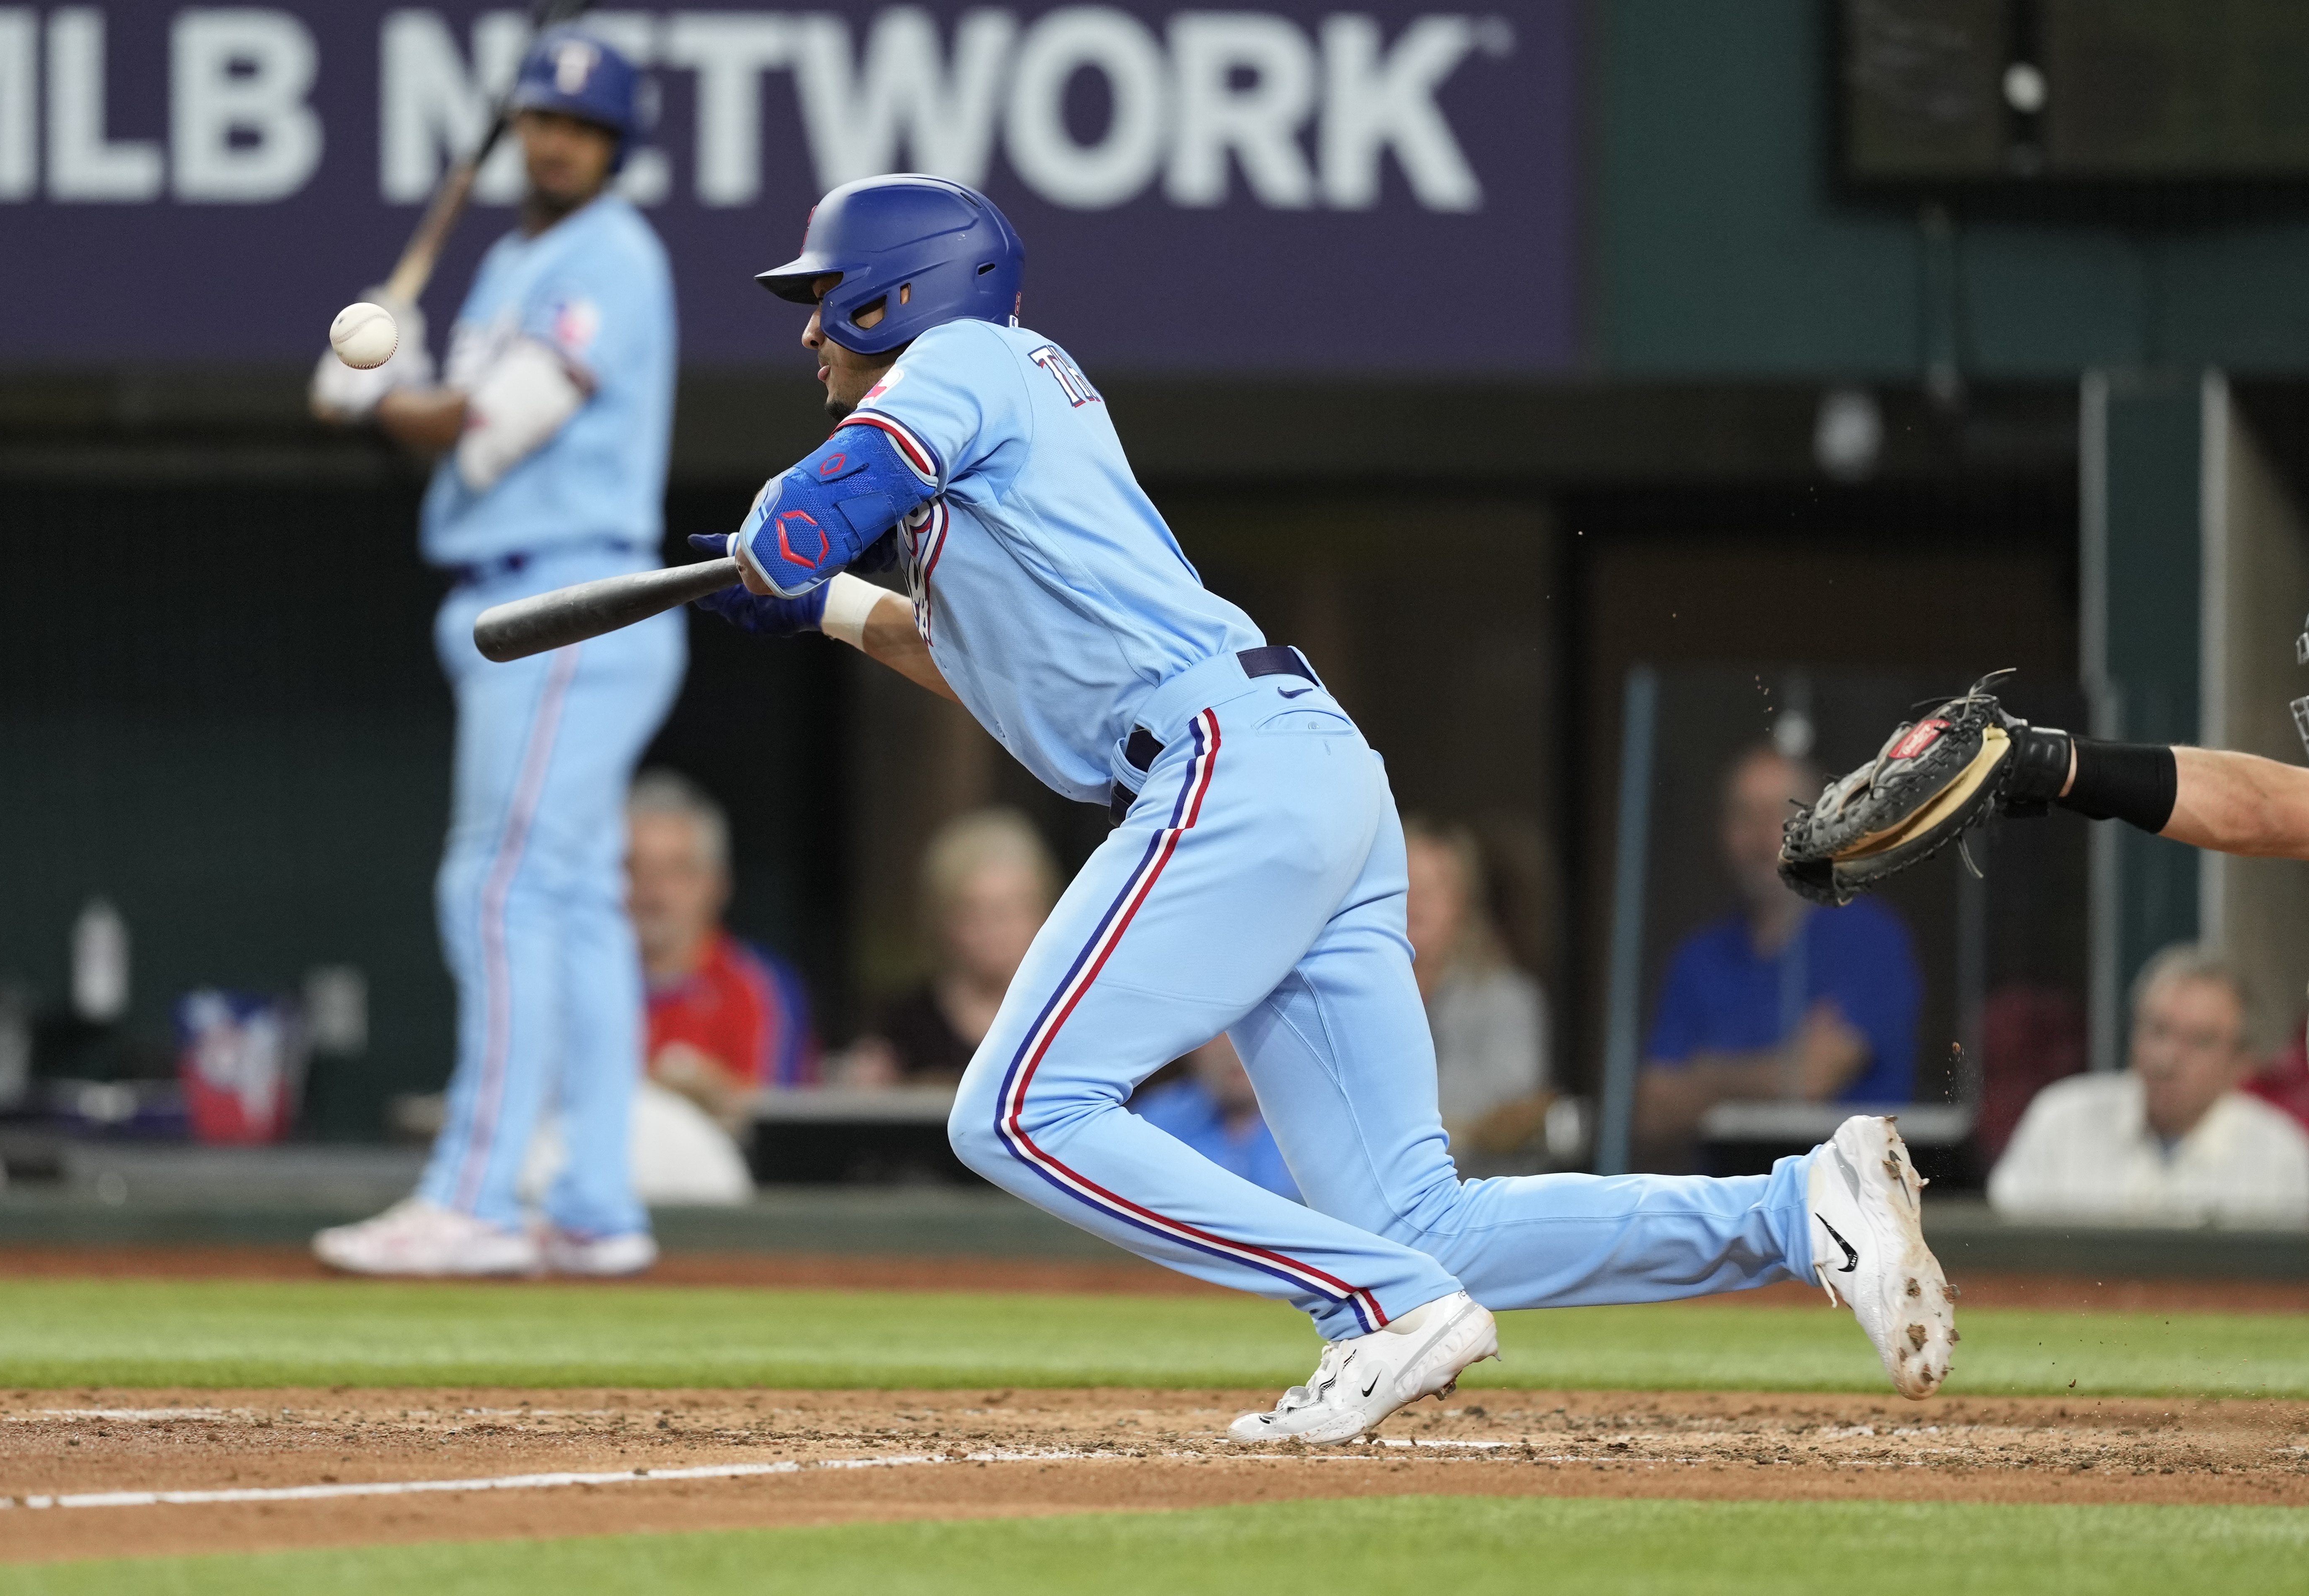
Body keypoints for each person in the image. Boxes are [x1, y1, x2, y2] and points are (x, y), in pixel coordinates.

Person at [694, 174, 1956, 1443]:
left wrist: (776, 540)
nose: (808, 332)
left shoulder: (963, 357)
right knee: (1417, 1217)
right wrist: (826, 605)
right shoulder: (984, 441)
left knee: (1017, 1110)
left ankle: (1379, 1307)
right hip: (1292, 766)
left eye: (825, 301)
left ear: (896, 293)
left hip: (1224, 768)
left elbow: (816, 504)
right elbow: (967, 651)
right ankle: (1801, 1209)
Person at [309, 30, 680, 1277]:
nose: (558, 138)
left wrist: (373, 398)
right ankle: (589, 1202)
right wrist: (394, 377)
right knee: (569, 902)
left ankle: (474, 1191)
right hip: (528, 602)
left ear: (616, 144)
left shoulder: (610, 254)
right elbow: (453, 410)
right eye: (541, 118)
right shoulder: (513, 263)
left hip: (566, 595)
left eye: (582, 124)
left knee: (503, 884)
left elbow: (497, 423)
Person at [1636, 743, 1923, 1170]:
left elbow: (1810, 1079)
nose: (1760, 835)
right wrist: (1780, 1065)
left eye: (1779, 814)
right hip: (1727, 1212)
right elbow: (1649, 1114)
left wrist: (1703, 1074)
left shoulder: (1869, 938)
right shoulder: (1698, 958)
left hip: (1847, 1208)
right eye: (1743, 816)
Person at [1989, 946, 2309, 1227]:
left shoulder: (2281, 1155)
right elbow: (2005, 1254)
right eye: (2158, 1031)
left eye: (2199, 1041)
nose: (2167, 1058)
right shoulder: (2060, 1120)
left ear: (2241, 1063)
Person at [627, 769, 820, 1129]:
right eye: (633, 868)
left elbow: (782, 1124)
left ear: (718, 884)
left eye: (678, 870)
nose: (652, 892)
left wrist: (713, 1091)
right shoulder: (568, 986)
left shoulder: (761, 986)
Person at [847, 808, 1056, 1086]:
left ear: (1046, 913)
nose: (992, 931)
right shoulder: (901, 1027)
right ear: (941, 921)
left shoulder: (1074, 1014)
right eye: (972, 912)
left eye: (1008, 911)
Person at [1401, 820, 1551, 1169]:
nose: (1417, 901)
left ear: (1463, 903)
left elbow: (1505, 1108)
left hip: (1471, 1191)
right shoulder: (1348, 1000)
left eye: (1435, 886)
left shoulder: (1509, 1000)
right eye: (1406, 884)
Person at [1133, 1035, 1301, 1201]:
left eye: (1247, 1027)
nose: (1232, 1050)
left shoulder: (1318, 1126)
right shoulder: (1151, 1122)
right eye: (1219, 1034)